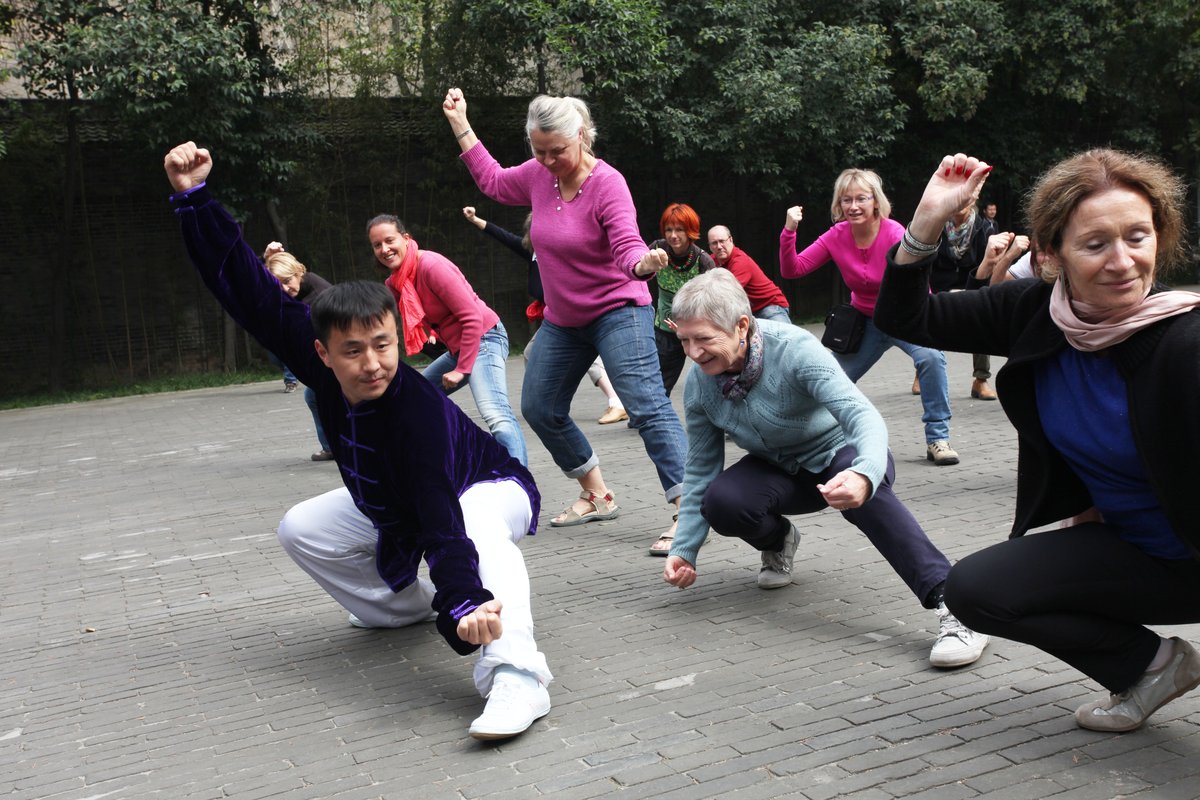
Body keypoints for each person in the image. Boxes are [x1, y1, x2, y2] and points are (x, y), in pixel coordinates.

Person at [164, 141, 553, 741]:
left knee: (473, 530)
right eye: (353, 351)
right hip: (397, 499)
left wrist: (464, 604)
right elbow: (249, 291)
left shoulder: (414, 413)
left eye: (384, 345)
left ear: (397, 337)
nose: (373, 364)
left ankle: (517, 676)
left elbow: (441, 520)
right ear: (321, 352)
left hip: (487, 486)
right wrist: (194, 200)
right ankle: (399, 607)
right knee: (301, 528)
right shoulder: (317, 351)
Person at [874, 149, 1200, 732]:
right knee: (975, 590)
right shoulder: (1037, 312)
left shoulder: (1185, 342)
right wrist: (926, 223)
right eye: (1095, 244)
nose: (1123, 262)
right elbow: (908, 319)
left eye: (1138, 236)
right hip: (1139, 557)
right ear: (1051, 255)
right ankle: (1150, 667)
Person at [661, 269, 988, 668]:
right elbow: (700, 469)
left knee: (865, 499)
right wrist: (685, 549)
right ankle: (779, 542)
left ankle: (956, 606)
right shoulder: (700, 384)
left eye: (704, 339)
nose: (693, 353)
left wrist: (864, 473)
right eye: (684, 340)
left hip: (841, 452)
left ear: (742, 326)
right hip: (780, 470)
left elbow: (861, 415)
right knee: (723, 502)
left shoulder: (794, 348)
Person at [443, 87, 688, 555]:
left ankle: (688, 508)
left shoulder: (608, 184)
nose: (550, 160)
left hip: (619, 306)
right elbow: (494, 182)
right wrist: (460, 123)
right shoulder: (538, 176)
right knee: (539, 406)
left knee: (645, 403)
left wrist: (643, 266)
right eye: (540, 151)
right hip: (565, 317)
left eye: (558, 150)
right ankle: (596, 493)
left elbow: (627, 246)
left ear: (581, 136)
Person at [779, 170, 960, 466]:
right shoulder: (836, 236)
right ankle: (810, 439)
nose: (853, 206)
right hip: (865, 323)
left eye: (861, 198)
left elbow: (917, 279)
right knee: (829, 378)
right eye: (846, 200)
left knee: (931, 359)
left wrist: (928, 323)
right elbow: (793, 269)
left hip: (904, 318)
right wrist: (789, 231)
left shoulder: (894, 233)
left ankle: (938, 439)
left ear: (876, 201)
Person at [367, 214, 528, 466]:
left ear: (406, 239)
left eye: (389, 240)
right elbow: (382, 323)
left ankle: (520, 483)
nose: (384, 249)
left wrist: (462, 369)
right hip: (457, 347)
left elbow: (472, 317)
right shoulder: (396, 282)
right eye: (377, 245)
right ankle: (430, 466)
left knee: (496, 414)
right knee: (412, 398)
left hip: (485, 337)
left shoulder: (431, 266)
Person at [461, 206, 627, 424]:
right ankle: (546, 400)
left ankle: (617, 402)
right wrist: (475, 220)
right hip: (556, 316)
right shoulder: (532, 253)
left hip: (574, 312)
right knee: (532, 353)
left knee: (588, 357)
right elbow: (503, 236)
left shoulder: (561, 252)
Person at [262, 243, 336, 461]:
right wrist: (264, 260)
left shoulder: (318, 293)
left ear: (298, 273)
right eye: (278, 286)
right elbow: (253, 287)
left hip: (337, 354)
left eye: (287, 282)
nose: (284, 290)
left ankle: (342, 445)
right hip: (319, 354)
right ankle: (333, 446)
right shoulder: (292, 293)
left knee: (317, 395)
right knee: (313, 395)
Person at [926, 198, 998, 401]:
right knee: (929, 321)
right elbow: (930, 260)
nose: (960, 205)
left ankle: (981, 380)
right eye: (956, 201)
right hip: (942, 285)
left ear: (973, 201)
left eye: (965, 201)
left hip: (972, 284)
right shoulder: (938, 226)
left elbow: (988, 262)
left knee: (982, 322)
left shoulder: (983, 228)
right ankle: (922, 374)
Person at [650, 203, 715, 394]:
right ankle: (646, 419)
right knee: (658, 383)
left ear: (690, 231)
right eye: (669, 229)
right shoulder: (657, 249)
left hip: (697, 331)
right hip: (664, 331)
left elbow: (713, 302)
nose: (673, 235)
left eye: (679, 230)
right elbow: (635, 273)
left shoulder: (703, 261)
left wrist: (691, 327)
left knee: (713, 377)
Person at [706, 225, 791, 323]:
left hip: (770, 306)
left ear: (730, 240)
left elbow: (727, 294)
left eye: (722, 241)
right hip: (748, 313)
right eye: (714, 243)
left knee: (784, 337)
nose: (719, 247)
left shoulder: (740, 261)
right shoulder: (709, 261)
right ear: (710, 246)